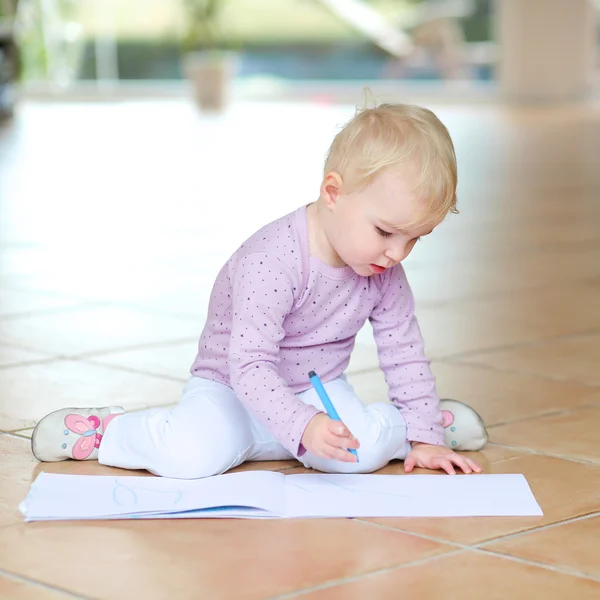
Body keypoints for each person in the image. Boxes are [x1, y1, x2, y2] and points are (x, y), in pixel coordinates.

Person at [31, 102, 488, 479]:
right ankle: (104, 431)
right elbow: (248, 364)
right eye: (386, 231)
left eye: (414, 239)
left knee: (359, 457)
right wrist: (302, 425)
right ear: (333, 192)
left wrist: (422, 435)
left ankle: (423, 428)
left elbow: (403, 350)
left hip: (316, 389)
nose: (397, 254)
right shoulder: (271, 260)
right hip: (231, 387)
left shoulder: (383, 269)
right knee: (189, 457)